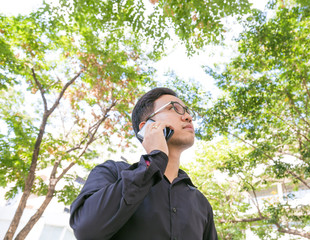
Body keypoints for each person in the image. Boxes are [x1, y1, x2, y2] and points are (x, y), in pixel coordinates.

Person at [69, 87, 218, 240]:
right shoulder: (112, 172)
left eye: (187, 111)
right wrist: (154, 159)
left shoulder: (200, 202)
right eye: (174, 108)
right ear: (147, 127)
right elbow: (86, 231)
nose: (187, 117)